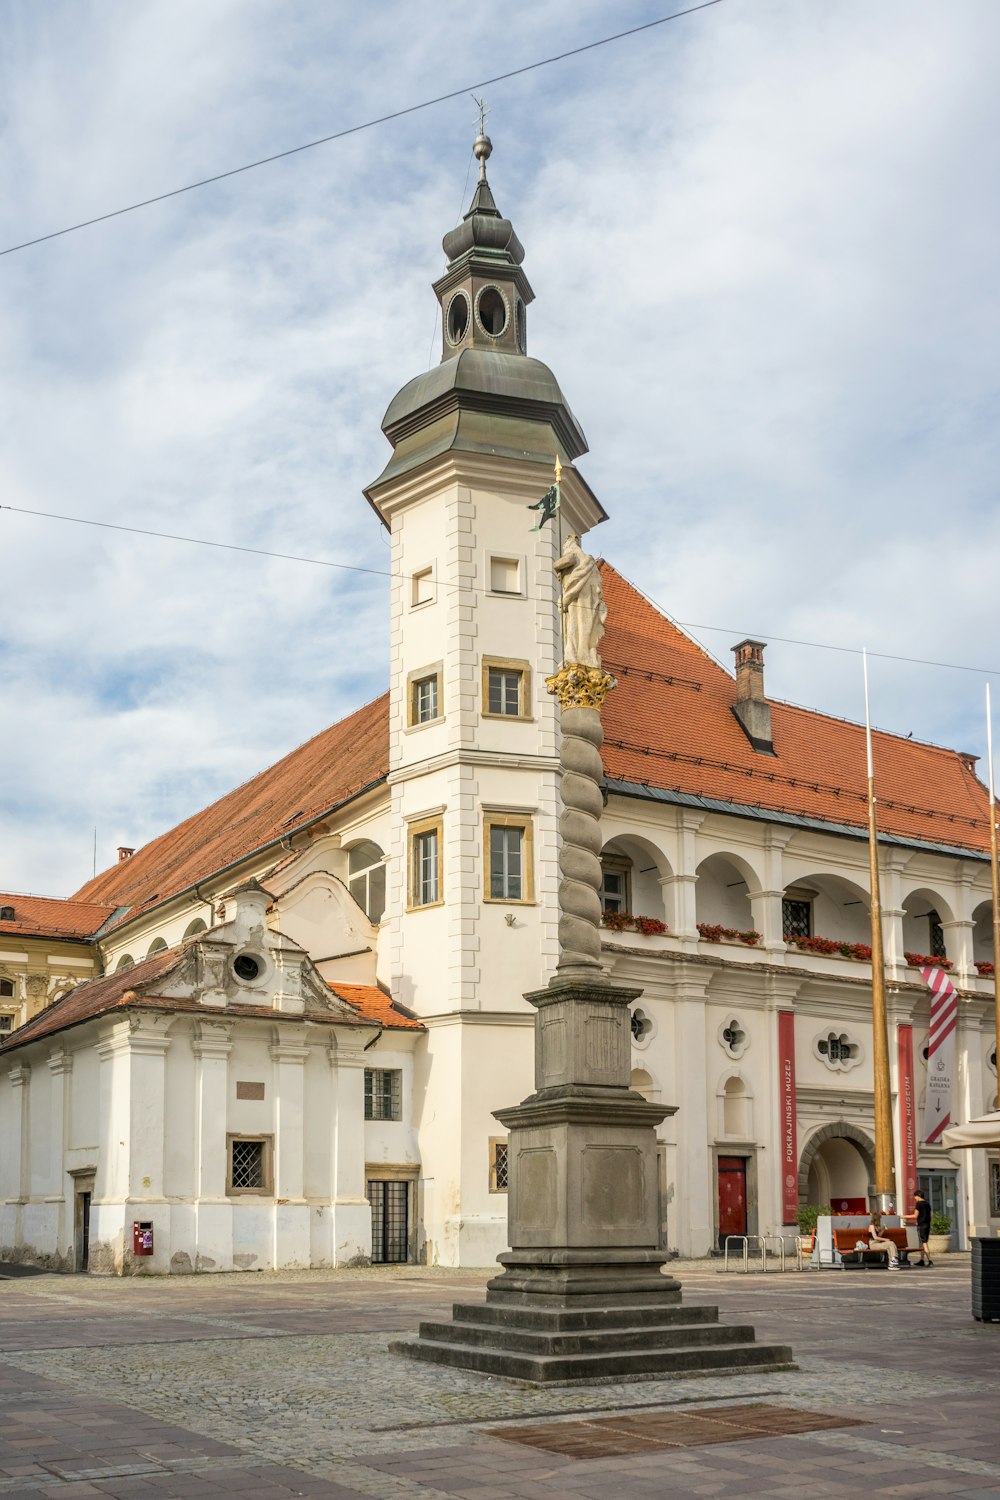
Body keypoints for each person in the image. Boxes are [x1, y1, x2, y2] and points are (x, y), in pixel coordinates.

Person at [905, 1189, 934, 1266]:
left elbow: (915, 1215)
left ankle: (930, 1260)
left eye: (915, 1197)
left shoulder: (919, 1204)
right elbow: (931, 1215)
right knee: (922, 1243)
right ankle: (922, 1260)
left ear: (918, 1196)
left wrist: (903, 1216)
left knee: (924, 1243)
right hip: (927, 1225)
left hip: (921, 1225)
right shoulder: (927, 1204)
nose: (915, 1198)